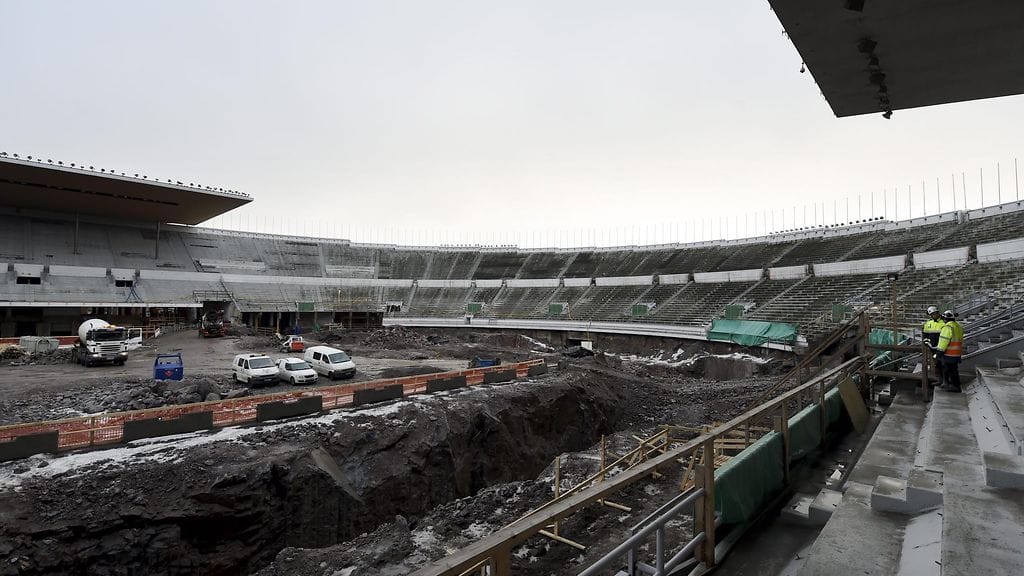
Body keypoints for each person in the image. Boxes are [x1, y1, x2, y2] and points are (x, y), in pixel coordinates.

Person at [935, 310, 964, 392]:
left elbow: (943, 341)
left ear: (945, 319)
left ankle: (955, 386)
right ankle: (952, 384)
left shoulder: (947, 327)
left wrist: (939, 352)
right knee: (953, 369)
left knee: (950, 370)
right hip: (957, 353)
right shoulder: (958, 327)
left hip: (949, 353)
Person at [922, 306, 946, 385]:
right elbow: (925, 335)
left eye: (934, 314)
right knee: (937, 365)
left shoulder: (945, 322)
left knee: (945, 364)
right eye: (931, 314)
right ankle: (940, 380)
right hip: (933, 348)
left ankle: (946, 382)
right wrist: (927, 343)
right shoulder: (928, 323)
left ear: (938, 313)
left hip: (943, 348)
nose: (933, 315)